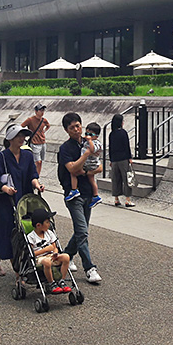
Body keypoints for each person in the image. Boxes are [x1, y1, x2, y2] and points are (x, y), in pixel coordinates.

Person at [0, 124, 44, 276]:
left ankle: (3, 261)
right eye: (19, 135)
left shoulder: (27, 155)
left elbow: (32, 174)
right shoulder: (2, 156)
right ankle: (17, 272)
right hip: (5, 202)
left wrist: (37, 184)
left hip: (23, 199)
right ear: (10, 138)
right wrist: (5, 188)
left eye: (23, 136)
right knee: (7, 233)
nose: (22, 139)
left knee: (22, 232)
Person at [57, 112, 102, 284]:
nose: (76, 130)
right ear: (66, 130)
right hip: (73, 195)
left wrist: (86, 171)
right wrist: (85, 156)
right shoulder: (65, 149)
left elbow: (99, 167)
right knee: (82, 231)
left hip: (88, 193)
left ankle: (65, 257)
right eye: (72, 128)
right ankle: (90, 268)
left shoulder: (88, 141)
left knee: (80, 231)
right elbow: (72, 170)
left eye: (78, 126)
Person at [26, 208, 72, 294]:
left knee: (66, 257)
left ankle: (62, 280)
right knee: (47, 261)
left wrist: (55, 253)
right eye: (47, 222)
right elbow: (32, 253)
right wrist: (45, 250)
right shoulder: (31, 237)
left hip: (51, 256)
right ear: (39, 225)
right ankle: (52, 283)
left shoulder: (49, 233)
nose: (49, 224)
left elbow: (54, 247)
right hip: (39, 258)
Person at [66, 122, 102, 208]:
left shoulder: (96, 143)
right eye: (86, 133)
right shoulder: (85, 142)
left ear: (96, 136)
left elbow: (92, 150)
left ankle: (74, 190)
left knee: (74, 172)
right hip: (89, 163)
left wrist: (89, 141)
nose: (87, 136)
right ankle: (95, 196)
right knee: (91, 180)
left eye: (90, 134)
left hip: (90, 163)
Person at [108, 113, 135, 207]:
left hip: (114, 159)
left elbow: (110, 148)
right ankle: (128, 199)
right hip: (123, 159)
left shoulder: (112, 134)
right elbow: (126, 146)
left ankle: (116, 199)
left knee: (116, 179)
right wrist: (130, 158)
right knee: (127, 178)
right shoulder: (123, 133)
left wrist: (111, 159)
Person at [22, 103, 50, 175]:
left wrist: (44, 131)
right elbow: (22, 126)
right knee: (38, 161)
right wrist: (25, 135)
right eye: (40, 110)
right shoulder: (30, 120)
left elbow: (48, 125)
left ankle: (37, 176)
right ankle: (34, 176)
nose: (42, 112)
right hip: (34, 143)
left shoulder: (44, 120)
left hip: (42, 143)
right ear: (36, 111)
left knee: (40, 162)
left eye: (43, 110)